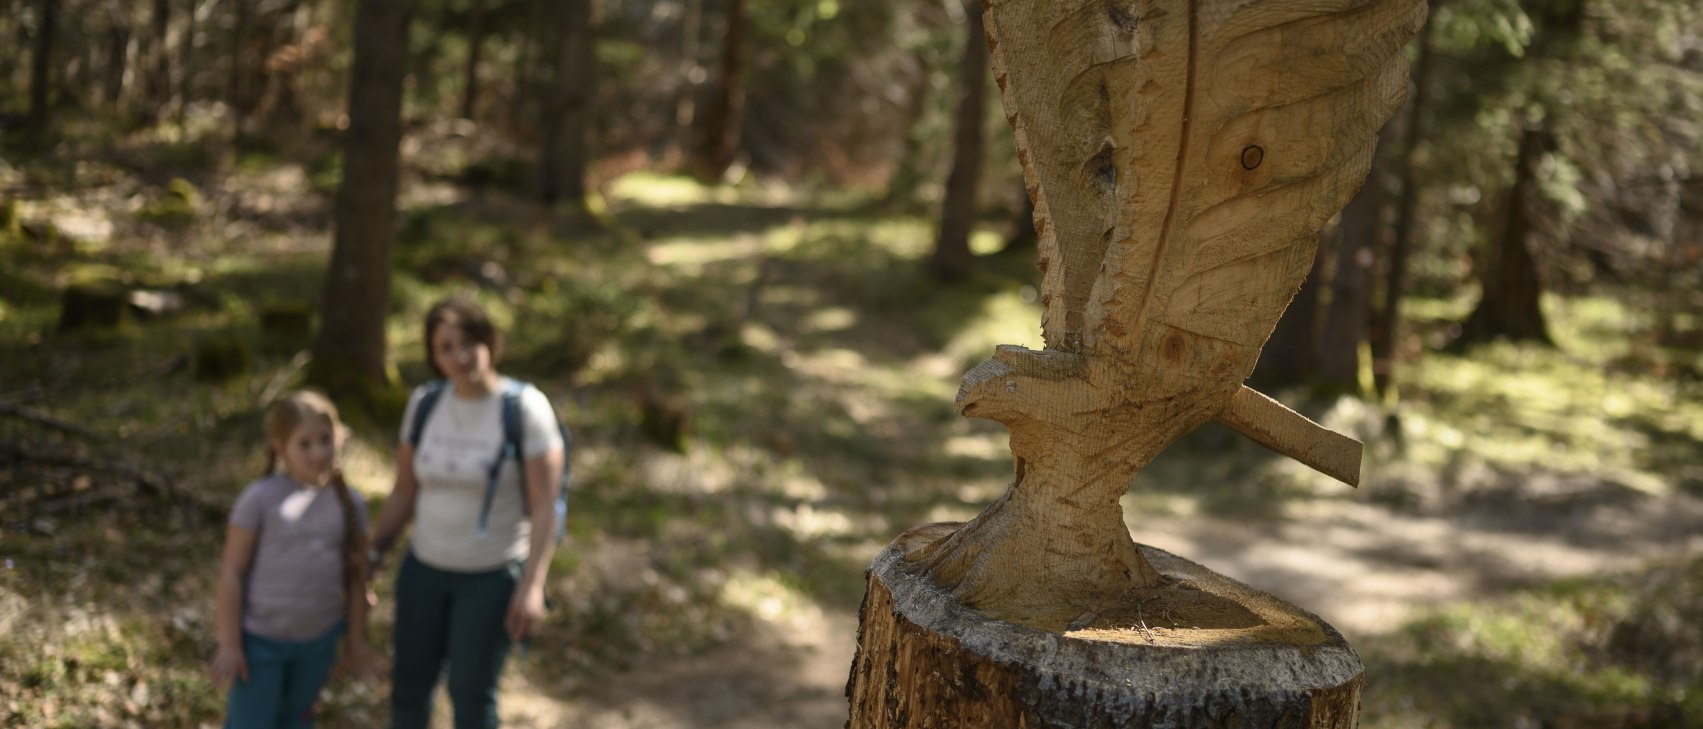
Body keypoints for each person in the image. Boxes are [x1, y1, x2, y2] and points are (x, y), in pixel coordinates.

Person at [368, 295, 566, 729]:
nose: (459, 356)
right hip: (423, 571)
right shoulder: (424, 404)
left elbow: (543, 507)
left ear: (489, 342)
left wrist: (533, 586)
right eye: (446, 347)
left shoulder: (525, 408)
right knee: (408, 689)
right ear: (433, 356)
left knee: (471, 697)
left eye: (468, 343)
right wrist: (374, 552)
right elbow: (404, 491)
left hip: (490, 577)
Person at [209, 391, 382, 728]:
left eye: (325, 440)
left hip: (318, 645)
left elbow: (357, 579)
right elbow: (232, 573)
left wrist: (356, 643)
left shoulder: (352, 504)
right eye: (304, 444)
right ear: (280, 448)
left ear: (339, 438)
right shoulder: (259, 500)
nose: (318, 452)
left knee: (298, 720)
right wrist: (230, 643)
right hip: (260, 645)